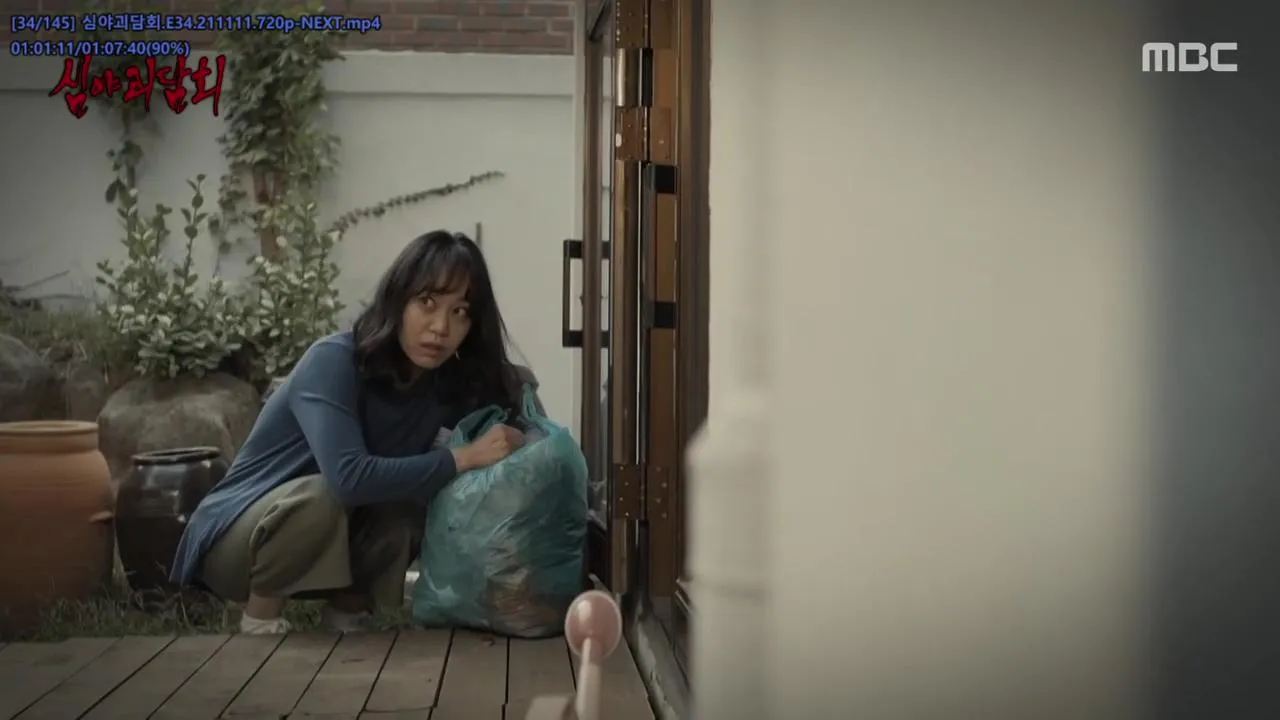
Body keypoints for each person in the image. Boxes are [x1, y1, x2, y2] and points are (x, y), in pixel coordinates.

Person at [170, 230, 537, 635]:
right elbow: (348, 479)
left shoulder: (442, 381)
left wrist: (525, 420)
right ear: (397, 300)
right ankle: (259, 620)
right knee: (325, 491)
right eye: (427, 303)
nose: (440, 327)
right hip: (237, 540)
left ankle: (346, 615)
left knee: (407, 509)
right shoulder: (333, 361)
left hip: (327, 540)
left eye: (460, 312)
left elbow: (516, 400)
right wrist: (463, 457)